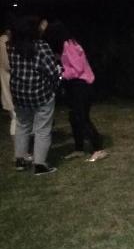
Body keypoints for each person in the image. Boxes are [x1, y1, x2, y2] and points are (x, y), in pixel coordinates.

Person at [46, 22, 108, 162]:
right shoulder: (67, 45)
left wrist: (61, 74)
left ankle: (98, 149)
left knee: (82, 117)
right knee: (74, 117)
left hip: (82, 84)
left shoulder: (69, 46)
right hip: (75, 85)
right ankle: (79, 148)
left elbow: (78, 69)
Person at [8, 16, 61, 175]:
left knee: (22, 125)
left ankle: (20, 160)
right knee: (42, 129)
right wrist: (57, 80)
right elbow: (52, 71)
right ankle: (40, 165)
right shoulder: (41, 46)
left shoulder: (11, 47)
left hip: (19, 93)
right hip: (40, 93)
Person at [0, 26, 16, 136]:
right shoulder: (4, 42)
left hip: (6, 83)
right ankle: (19, 146)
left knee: (14, 117)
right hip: (10, 84)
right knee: (16, 119)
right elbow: (7, 65)